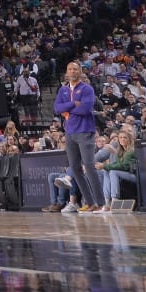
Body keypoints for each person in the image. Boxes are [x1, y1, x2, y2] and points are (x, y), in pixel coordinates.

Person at [54, 62, 105, 213]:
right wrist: (73, 104)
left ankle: (101, 203)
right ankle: (90, 203)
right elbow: (57, 108)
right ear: (66, 72)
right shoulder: (62, 89)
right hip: (69, 133)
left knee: (89, 166)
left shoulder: (87, 88)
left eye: (75, 68)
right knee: (75, 169)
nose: (72, 71)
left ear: (80, 71)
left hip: (85, 131)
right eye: (70, 69)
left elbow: (85, 109)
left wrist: (67, 109)